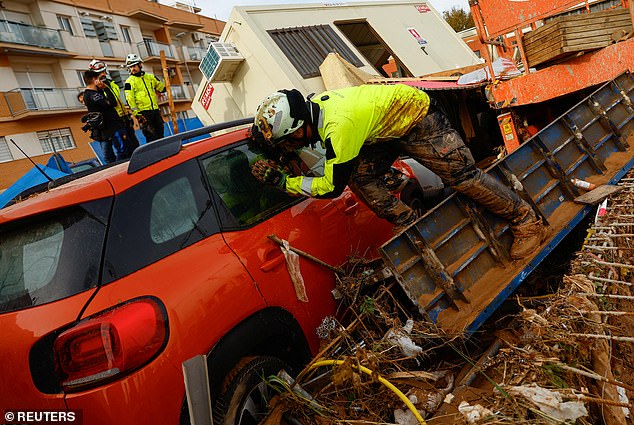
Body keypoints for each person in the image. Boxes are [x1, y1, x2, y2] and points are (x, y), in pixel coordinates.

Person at [250, 84, 547, 260]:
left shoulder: (338, 128)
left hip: (417, 117)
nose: (288, 146)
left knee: (461, 176)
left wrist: (284, 181)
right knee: (360, 175)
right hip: (385, 130)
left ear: (300, 129)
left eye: (287, 141)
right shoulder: (313, 108)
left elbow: (331, 188)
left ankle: (526, 219)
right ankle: (408, 221)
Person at [88, 59, 140, 155]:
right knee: (123, 149)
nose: (103, 74)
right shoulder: (97, 89)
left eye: (103, 71)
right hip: (115, 121)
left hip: (125, 117)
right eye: (100, 73)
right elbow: (108, 104)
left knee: (134, 145)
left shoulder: (111, 83)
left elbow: (118, 100)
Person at [82, 70, 130, 163]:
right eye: (99, 79)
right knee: (121, 151)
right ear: (94, 79)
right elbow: (112, 103)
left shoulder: (92, 93)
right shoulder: (93, 95)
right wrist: (106, 89)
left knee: (112, 153)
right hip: (110, 126)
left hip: (106, 128)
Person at [123, 53, 166, 143]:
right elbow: (129, 99)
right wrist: (138, 115)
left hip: (155, 111)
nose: (132, 69)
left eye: (134, 65)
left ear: (140, 64)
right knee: (151, 138)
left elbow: (162, 89)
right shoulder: (128, 82)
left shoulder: (150, 77)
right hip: (143, 114)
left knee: (161, 135)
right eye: (130, 67)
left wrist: (166, 75)